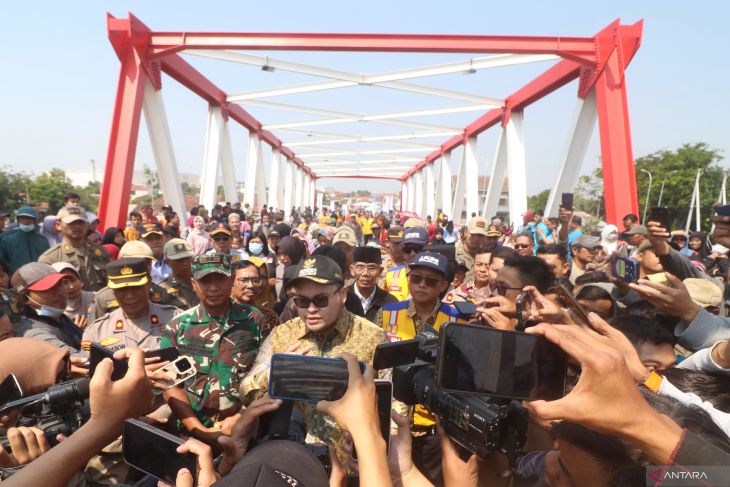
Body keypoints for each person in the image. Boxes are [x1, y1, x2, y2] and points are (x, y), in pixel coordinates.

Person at [241, 254, 386, 465]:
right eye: (301, 301)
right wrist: (276, 373)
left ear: (343, 294)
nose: (311, 309)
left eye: (321, 300)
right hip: (295, 462)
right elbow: (246, 392)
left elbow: (393, 406)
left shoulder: (373, 337)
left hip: (355, 464)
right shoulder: (282, 335)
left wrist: (376, 453)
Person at [161, 253, 265, 442]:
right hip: (192, 436)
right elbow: (169, 384)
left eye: (220, 279)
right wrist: (198, 429)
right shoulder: (178, 327)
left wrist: (242, 416)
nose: (214, 288)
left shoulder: (254, 320)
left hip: (245, 431)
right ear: (194, 284)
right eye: (205, 281)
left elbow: (265, 373)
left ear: (232, 280)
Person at [83, 257, 180, 353]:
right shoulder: (96, 331)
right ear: (112, 290)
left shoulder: (176, 319)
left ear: (149, 283)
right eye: (121, 289)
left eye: (136, 287)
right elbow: (86, 366)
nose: (130, 296)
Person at [10, 262, 84, 356]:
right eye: (47, 289)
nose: (59, 292)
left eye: (60, 284)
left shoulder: (59, 317)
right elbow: (80, 360)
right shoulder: (33, 333)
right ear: (25, 298)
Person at [38, 206, 110, 292]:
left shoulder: (101, 252)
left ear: (87, 225)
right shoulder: (51, 258)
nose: (77, 226)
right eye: (71, 223)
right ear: (58, 225)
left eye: (81, 222)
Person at [231, 259, 280, 338]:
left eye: (256, 280)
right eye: (243, 280)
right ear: (230, 282)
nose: (251, 285)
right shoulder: (222, 315)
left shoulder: (269, 316)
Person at [349, 246, 397, 322]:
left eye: (371, 268)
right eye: (360, 267)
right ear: (352, 270)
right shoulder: (343, 298)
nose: (365, 273)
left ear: (380, 271)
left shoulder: (390, 302)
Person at [383, 226, 428, 301]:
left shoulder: (437, 277)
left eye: (417, 249)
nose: (412, 254)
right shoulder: (391, 274)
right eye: (408, 249)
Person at [0, 205, 49, 273]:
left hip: (39, 278)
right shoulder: (6, 238)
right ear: (18, 220)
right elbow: (2, 261)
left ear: (34, 220)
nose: (26, 221)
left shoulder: (42, 240)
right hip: (15, 279)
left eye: (29, 218)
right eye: (22, 218)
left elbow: (47, 261)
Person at [157, 238, 199, 310]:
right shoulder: (162, 289)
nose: (185, 263)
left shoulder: (201, 281)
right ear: (167, 262)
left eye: (187, 258)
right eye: (179, 260)